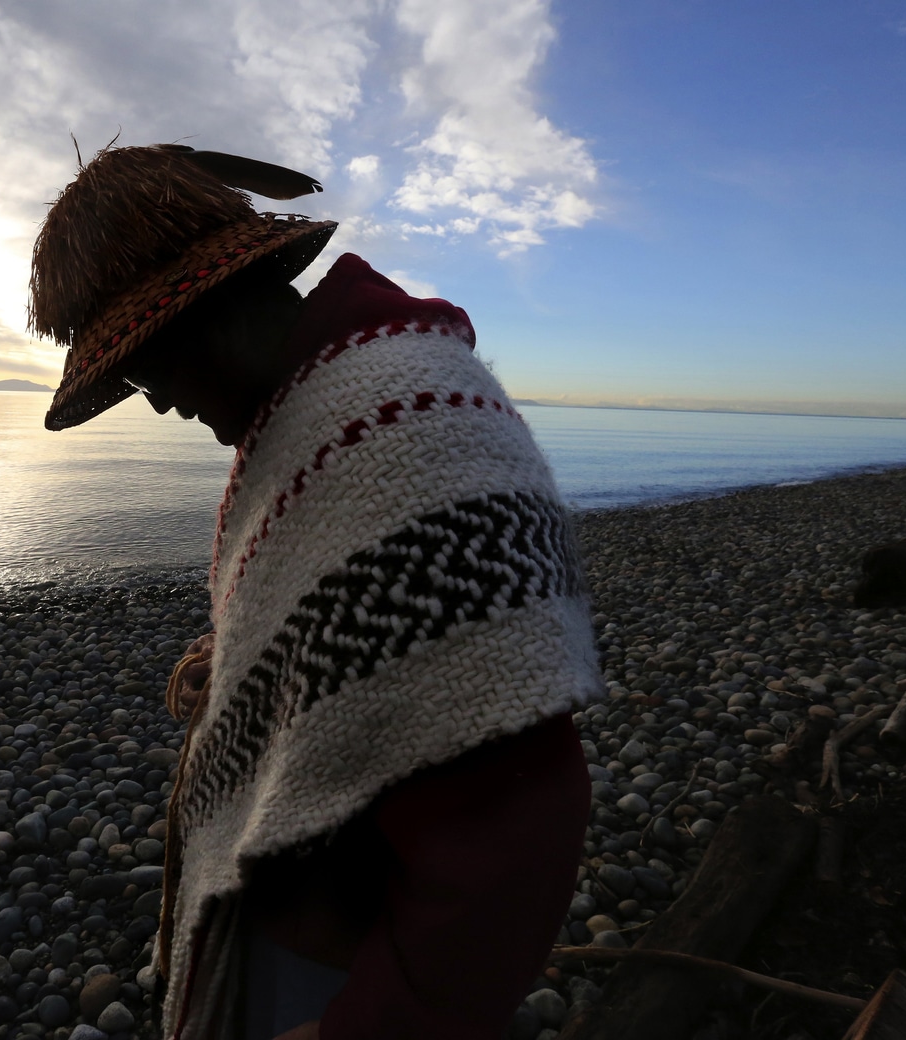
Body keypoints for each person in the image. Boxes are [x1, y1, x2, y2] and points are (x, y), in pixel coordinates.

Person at [31, 142, 603, 1040]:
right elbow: (366, 627)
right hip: (310, 926)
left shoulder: (397, 433)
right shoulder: (323, 405)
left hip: (344, 969)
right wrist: (241, 658)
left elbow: (519, 813)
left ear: (214, 307)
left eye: (147, 365)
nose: (155, 403)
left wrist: (381, 1022)